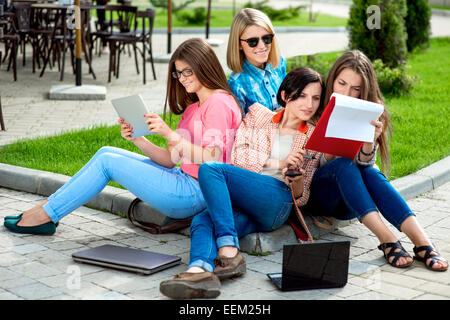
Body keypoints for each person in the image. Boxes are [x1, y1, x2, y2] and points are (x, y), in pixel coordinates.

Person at [3, 38, 242, 235]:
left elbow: (214, 159)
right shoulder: (194, 107)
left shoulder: (219, 103)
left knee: (108, 162)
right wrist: (138, 139)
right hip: (183, 180)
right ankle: (48, 207)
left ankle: (46, 215)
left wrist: (169, 133)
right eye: (178, 73)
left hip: (196, 193)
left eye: (188, 71)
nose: (183, 78)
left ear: (204, 66)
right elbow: (171, 160)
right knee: (106, 152)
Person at [159, 67, 325, 299]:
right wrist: (280, 163)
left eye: (316, 98)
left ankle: (229, 250)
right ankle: (199, 272)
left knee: (210, 169)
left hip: (276, 203)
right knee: (202, 221)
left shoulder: (313, 139)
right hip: (245, 201)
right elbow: (240, 157)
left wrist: (295, 178)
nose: (310, 104)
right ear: (286, 95)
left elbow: (302, 195)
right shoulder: (258, 116)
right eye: (302, 96)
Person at [301, 50, 448, 272]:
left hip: (352, 204)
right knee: (342, 165)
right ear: (332, 79)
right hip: (319, 196)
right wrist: (331, 144)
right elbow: (310, 163)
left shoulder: (368, 111)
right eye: (341, 83)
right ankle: (387, 239)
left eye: (356, 89)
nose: (347, 92)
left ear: (364, 91)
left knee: (369, 172)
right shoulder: (314, 105)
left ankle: (422, 242)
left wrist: (369, 142)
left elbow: (366, 166)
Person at [227, 8, 287, 114]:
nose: (262, 46)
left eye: (266, 38)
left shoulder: (279, 64)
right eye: (252, 41)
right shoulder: (236, 84)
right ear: (239, 44)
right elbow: (241, 128)